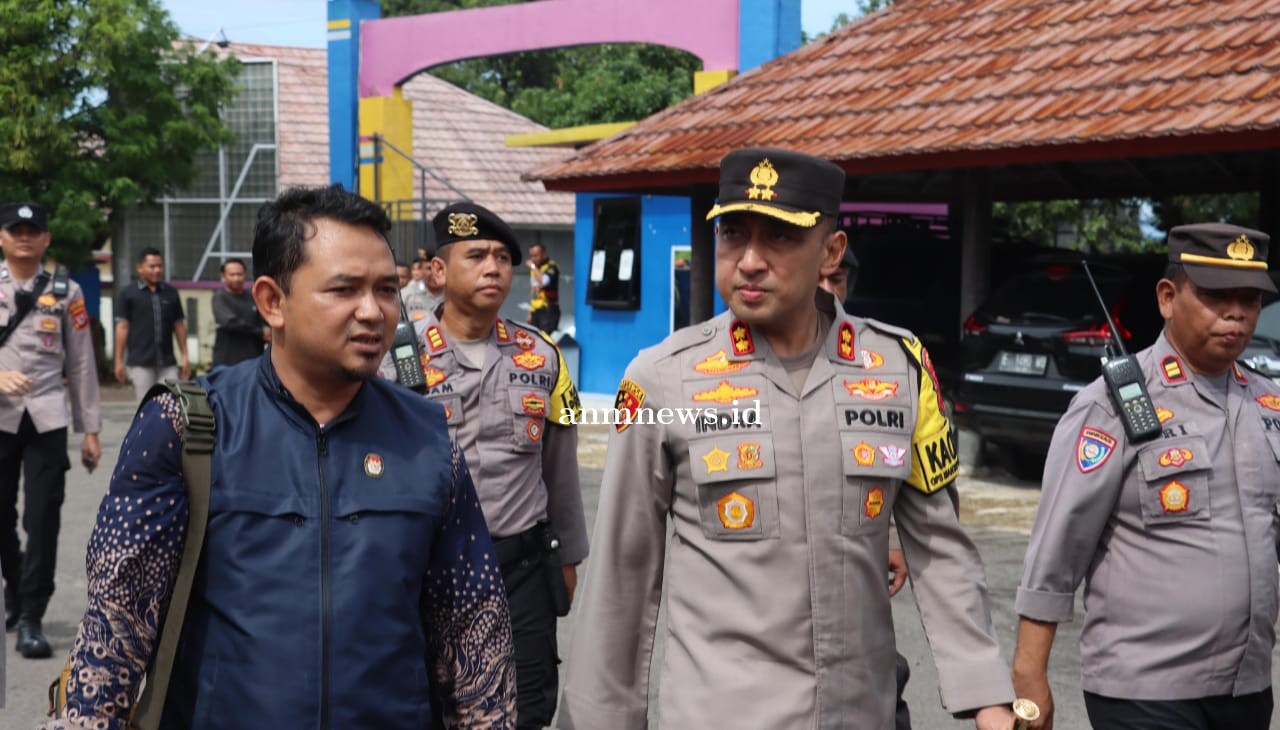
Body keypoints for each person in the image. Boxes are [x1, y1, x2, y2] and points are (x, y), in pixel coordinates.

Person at [559, 148, 1016, 729]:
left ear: (831, 251)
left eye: (779, 237)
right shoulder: (658, 379)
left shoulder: (898, 368)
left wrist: (988, 695)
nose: (750, 261)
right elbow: (621, 578)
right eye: (733, 234)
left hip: (862, 714)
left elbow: (941, 548)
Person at [46, 185, 515, 728]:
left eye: (387, 289)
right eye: (344, 290)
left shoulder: (428, 437)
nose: (373, 311)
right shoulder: (190, 427)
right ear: (272, 302)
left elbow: (475, 631)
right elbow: (115, 629)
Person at [1012, 223, 1280, 730]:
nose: (1237, 314)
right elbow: (1057, 546)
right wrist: (1030, 674)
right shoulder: (1111, 404)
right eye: (1216, 296)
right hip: (1144, 690)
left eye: (1250, 299)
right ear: (1167, 297)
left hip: (1246, 687)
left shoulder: (1267, 402)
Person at [385, 202, 587, 729]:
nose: (493, 268)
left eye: (502, 257)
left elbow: (560, 469)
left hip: (520, 570)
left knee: (525, 711)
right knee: (426, 706)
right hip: (426, 570)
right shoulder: (395, 360)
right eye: (476, 255)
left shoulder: (542, 356)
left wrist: (567, 559)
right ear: (438, 271)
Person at [818, 243, 914, 730]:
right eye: (821, 282)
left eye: (837, 285)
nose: (828, 296)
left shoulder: (879, 366)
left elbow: (890, 466)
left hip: (856, 605)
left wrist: (893, 535)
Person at [0, 201, 101, 659]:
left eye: (32, 230)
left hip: (47, 418)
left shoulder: (67, 291)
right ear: (1, 236)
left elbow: (81, 363)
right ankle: (16, 582)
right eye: (15, 229)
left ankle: (31, 615)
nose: (24, 236)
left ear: (45, 239)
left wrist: (91, 429)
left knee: (42, 517)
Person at [113, 246, 189, 400]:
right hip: (140, 363)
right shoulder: (128, 294)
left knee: (170, 406)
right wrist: (118, 360)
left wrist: (185, 356)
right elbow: (122, 327)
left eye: (160, 266)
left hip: (167, 363)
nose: (157, 270)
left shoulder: (171, 293)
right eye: (152, 266)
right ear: (140, 268)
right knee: (146, 408)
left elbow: (178, 325)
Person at [210, 258, 266, 368]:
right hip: (227, 363)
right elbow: (230, 322)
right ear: (223, 276)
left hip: (253, 360)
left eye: (239, 274)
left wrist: (267, 330)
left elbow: (265, 320)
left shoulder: (254, 297)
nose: (236, 278)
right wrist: (260, 332)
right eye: (232, 274)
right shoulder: (220, 298)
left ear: (245, 275)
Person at [526, 243, 560, 333]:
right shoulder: (535, 269)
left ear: (544, 254)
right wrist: (530, 312)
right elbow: (534, 292)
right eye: (531, 256)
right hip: (535, 311)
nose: (533, 259)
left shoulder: (551, 266)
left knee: (546, 341)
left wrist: (533, 267)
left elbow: (544, 281)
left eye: (536, 256)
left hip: (548, 310)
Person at [402, 249, 443, 321]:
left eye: (439, 268)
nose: (434, 273)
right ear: (421, 270)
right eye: (429, 268)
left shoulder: (454, 296)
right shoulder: (406, 295)